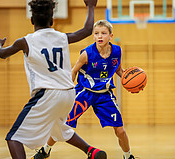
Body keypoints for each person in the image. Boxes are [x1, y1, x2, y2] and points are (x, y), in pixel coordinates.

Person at [0, 0, 107, 159]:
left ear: (32, 20)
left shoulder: (25, 41)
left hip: (47, 94)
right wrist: (90, 6)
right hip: (68, 93)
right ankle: (91, 151)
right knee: (57, 127)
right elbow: (88, 30)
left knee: (13, 138)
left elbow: (2, 53)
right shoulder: (62, 37)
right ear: (52, 20)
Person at [33, 20, 137, 159]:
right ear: (93, 36)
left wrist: (129, 81)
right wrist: (67, 89)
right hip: (84, 92)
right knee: (62, 123)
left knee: (120, 130)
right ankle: (45, 150)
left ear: (110, 36)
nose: (100, 36)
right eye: (96, 33)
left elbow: (118, 69)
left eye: (103, 33)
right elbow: (74, 71)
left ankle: (128, 156)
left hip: (104, 94)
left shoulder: (117, 51)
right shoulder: (87, 54)